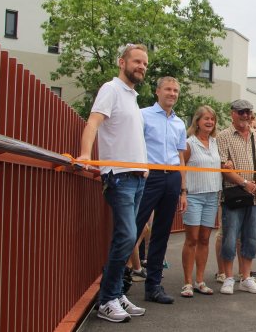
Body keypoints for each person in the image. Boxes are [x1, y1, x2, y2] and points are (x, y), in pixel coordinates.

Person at [77, 43, 149, 322]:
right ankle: (106, 299)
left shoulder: (131, 96)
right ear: (122, 62)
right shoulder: (111, 89)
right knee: (126, 237)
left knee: (129, 236)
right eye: (136, 61)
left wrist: (143, 169)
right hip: (118, 177)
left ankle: (116, 293)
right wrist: (85, 154)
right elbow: (93, 122)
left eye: (144, 63)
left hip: (136, 177)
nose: (141, 66)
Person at [134, 76, 188, 305]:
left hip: (172, 179)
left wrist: (183, 189)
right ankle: (115, 282)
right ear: (157, 92)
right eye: (168, 89)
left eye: (176, 90)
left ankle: (154, 285)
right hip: (148, 177)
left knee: (161, 234)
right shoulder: (143, 115)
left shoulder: (179, 123)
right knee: (132, 229)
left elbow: (180, 156)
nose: (172, 93)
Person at [217, 99, 256, 295]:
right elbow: (223, 168)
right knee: (230, 237)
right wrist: (245, 183)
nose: (245, 116)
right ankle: (228, 277)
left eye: (248, 112)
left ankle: (246, 277)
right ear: (232, 113)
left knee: (251, 238)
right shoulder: (223, 136)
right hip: (234, 194)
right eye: (241, 112)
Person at [180, 106, 226, 297]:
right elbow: (181, 168)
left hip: (211, 196)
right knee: (191, 239)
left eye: (212, 119)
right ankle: (187, 283)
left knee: (205, 239)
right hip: (194, 195)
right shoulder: (189, 143)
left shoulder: (216, 143)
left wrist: (226, 165)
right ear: (197, 121)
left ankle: (200, 280)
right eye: (206, 118)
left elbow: (219, 164)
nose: (209, 122)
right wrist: (183, 193)